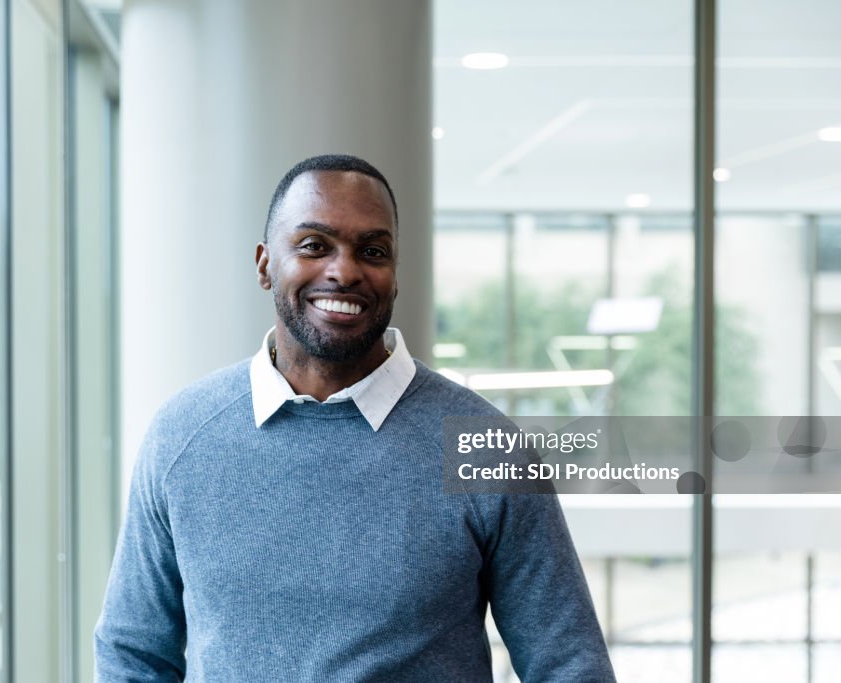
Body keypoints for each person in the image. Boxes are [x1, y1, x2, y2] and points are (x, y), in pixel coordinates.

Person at [94, 154, 616, 682]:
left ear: (395, 274)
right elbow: (132, 652)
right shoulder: (182, 434)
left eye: (372, 251)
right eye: (314, 245)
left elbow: (568, 663)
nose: (344, 271)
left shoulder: (487, 448)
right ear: (264, 264)